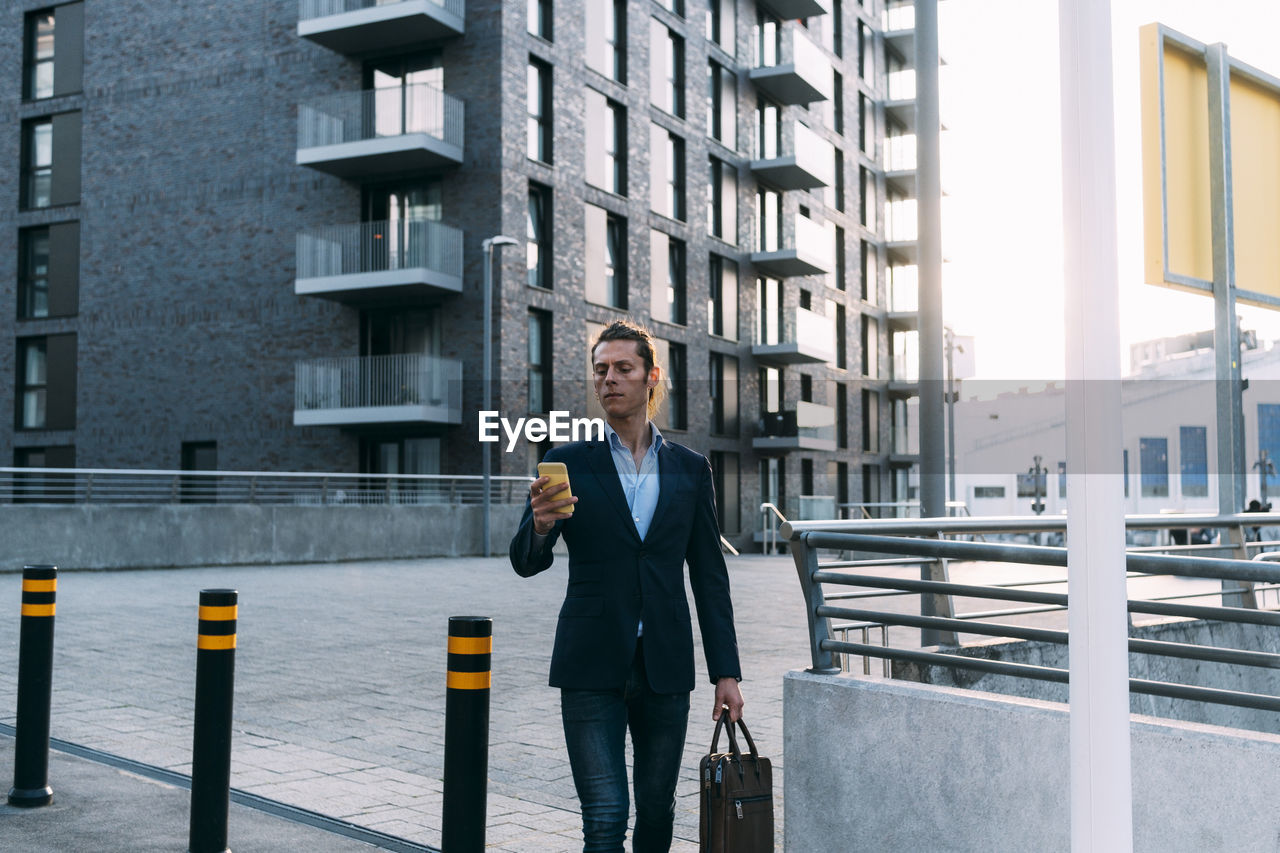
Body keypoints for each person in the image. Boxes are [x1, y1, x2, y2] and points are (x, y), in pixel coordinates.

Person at [509, 320, 744, 853]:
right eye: (600, 370)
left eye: (622, 368)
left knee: (657, 810)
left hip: (665, 664)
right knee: (606, 816)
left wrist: (725, 672)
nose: (608, 378)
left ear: (651, 377)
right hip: (590, 662)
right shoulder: (570, 461)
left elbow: (709, 577)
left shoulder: (690, 470)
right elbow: (525, 561)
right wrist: (542, 526)